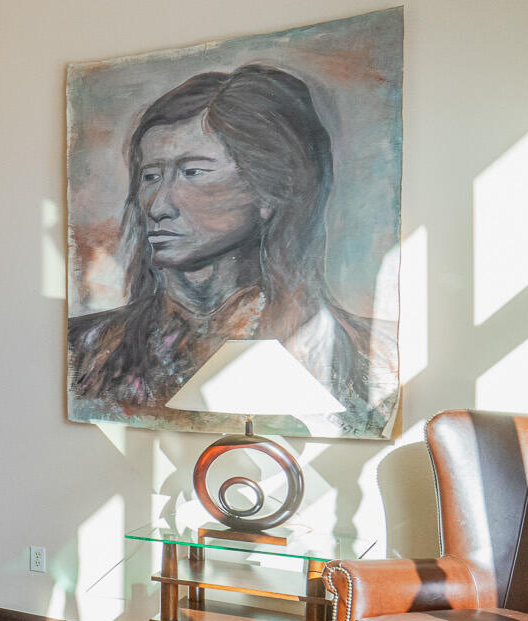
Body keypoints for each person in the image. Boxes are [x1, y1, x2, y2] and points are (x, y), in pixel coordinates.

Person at [68, 63, 393, 433]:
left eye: (193, 172)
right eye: (150, 176)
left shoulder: (368, 354)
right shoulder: (83, 348)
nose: (157, 206)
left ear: (268, 189)